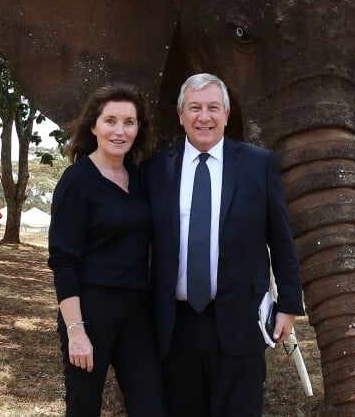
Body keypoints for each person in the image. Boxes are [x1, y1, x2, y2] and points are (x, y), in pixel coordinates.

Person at [143, 73, 304, 416]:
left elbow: (281, 239)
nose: (205, 117)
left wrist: (289, 304)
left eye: (213, 108)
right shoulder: (156, 169)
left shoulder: (259, 164)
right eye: (195, 108)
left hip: (240, 319)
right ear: (180, 114)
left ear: (227, 114)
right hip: (175, 324)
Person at [48, 83, 166, 417]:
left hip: (137, 312)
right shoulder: (77, 181)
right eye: (110, 120)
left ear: (138, 129)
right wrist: (76, 331)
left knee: (151, 406)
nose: (120, 130)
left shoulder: (141, 179)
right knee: (83, 408)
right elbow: (63, 260)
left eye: (129, 122)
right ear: (94, 126)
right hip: (90, 309)